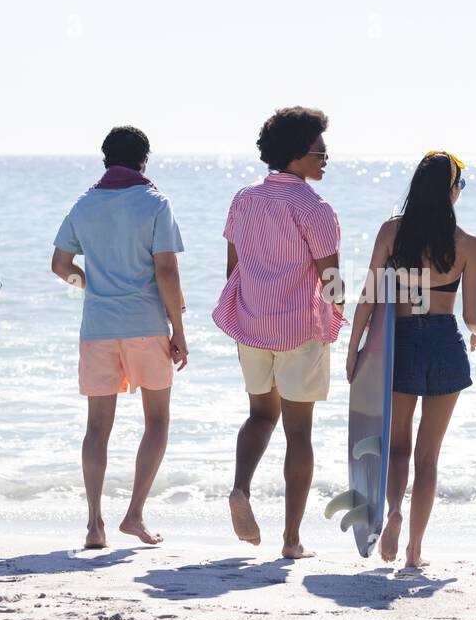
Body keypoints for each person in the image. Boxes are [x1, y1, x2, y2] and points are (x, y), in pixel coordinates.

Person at [213, 106, 345, 559]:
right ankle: (291, 540)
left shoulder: (244, 198)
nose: (325, 158)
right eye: (319, 152)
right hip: (298, 329)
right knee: (299, 434)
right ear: (295, 156)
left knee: (259, 415)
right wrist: (343, 319)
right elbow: (331, 279)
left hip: (250, 323)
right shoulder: (313, 206)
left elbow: (233, 266)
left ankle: (240, 488)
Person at [347, 151, 476, 568]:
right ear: (450, 191)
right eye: (459, 186)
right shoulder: (469, 245)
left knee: (398, 447)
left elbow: (370, 296)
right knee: (430, 456)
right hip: (444, 342)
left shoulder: (393, 233)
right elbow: (470, 315)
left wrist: (355, 348)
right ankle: (414, 550)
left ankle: (392, 513)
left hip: (402, 342)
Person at [52, 125, 188, 550]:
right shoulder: (154, 202)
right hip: (146, 324)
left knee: (97, 426)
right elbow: (166, 270)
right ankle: (134, 515)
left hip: (98, 327)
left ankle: (95, 524)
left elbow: (60, 264)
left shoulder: (85, 203)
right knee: (158, 420)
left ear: (105, 158)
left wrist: (91, 285)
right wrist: (179, 329)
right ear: (144, 160)